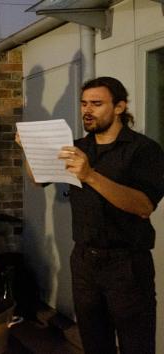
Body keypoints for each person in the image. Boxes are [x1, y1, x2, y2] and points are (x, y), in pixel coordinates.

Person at [19, 77, 163, 353]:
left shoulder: (144, 150)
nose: (87, 110)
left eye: (97, 104)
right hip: (84, 260)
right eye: (84, 103)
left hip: (127, 264)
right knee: (95, 343)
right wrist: (28, 148)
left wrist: (89, 175)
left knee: (136, 344)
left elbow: (144, 205)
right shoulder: (78, 147)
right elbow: (38, 178)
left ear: (120, 107)